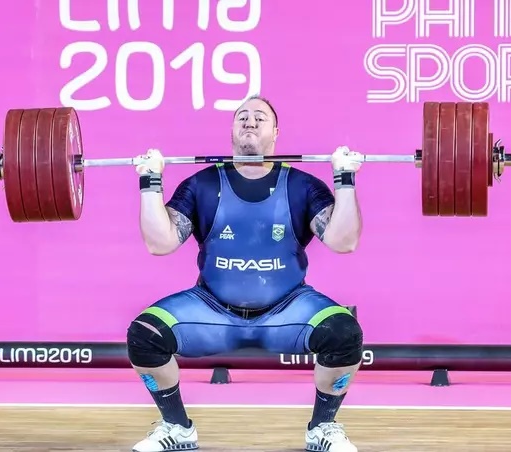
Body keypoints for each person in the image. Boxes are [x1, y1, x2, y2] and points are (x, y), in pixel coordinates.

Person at [127, 94, 365, 452]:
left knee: (344, 334)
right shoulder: (202, 184)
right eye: (242, 116)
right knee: (144, 334)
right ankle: (177, 428)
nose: (250, 121)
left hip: (287, 310)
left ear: (275, 133)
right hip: (211, 311)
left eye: (260, 117)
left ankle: (322, 429)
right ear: (232, 130)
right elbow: (159, 244)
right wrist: (150, 183)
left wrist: (344, 179)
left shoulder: (302, 185)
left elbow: (344, 241)